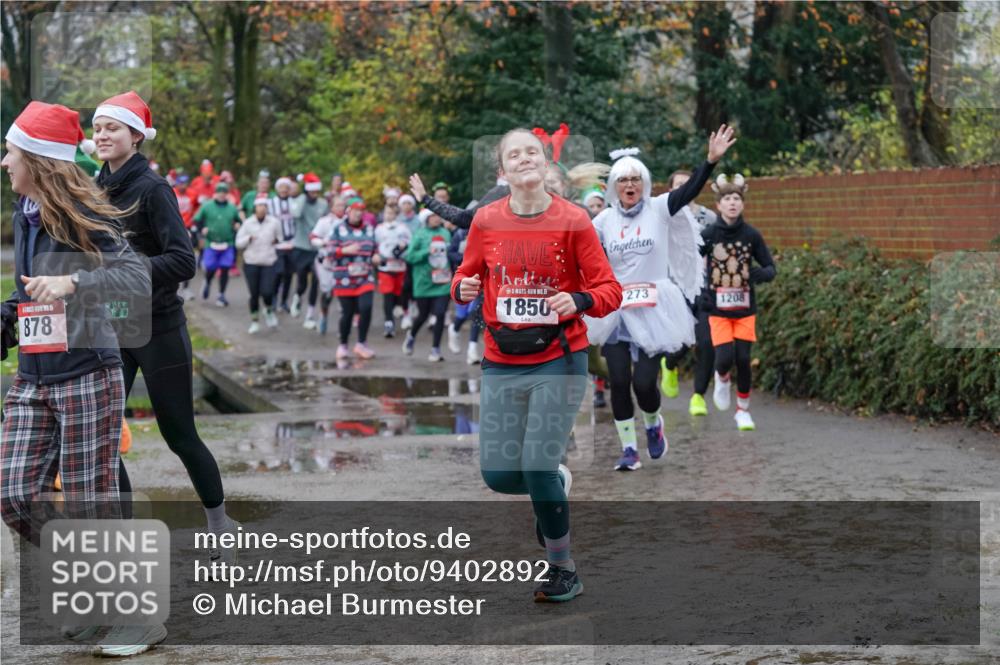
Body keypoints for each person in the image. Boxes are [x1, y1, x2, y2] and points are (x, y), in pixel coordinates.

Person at [2, 100, 154, 655]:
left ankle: (136, 616)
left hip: (89, 371)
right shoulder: (25, 212)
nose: (4, 162)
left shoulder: (83, 215)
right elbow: (28, 298)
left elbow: (134, 280)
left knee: (92, 504)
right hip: (35, 376)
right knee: (15, 495)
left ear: (39, 160)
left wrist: (73, 285)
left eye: (12, 152)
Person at [452, 128, 621, 602]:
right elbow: (466, 275)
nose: (525, 159)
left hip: (560, 359)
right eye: (514, 154)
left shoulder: (574, 221)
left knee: (537, 463)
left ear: (546, 166)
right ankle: (555, 484)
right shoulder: (485, 221)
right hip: (502, 360)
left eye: (533, 152)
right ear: (503, 172)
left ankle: (563, 568)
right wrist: (460, 288)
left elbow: (611, 291)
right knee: (500, 476)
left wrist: (579, 299)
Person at [585, 125, 736, 471]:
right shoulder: (603, 221)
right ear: (614, 188)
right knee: (619, 381)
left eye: (635, 179)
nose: (629, 186)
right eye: (623, 181)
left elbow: (690, 191)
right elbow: (583, 254)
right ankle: (628, 449)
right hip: (616, 310)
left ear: (645, 183)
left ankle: (653, 425)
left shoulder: (659, 208)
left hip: (654, 306)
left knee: (643, 383)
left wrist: (710, 161)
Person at [701, 174, 776, 431]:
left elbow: (770, 267)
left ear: (742, 204)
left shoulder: (751, 235)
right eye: (727, 198)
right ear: (718, 205)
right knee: (724, 358)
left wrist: (757, 274)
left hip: (745, 308)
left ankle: (743, 410)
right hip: (718, 309)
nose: (732, 203)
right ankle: (721, 377)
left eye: (736, 198)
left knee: (743, 359)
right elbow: (689, 264)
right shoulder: (709, 234)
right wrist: (702, 291)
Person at [658, 169, 719, 415]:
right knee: (684, 339)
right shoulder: (661, 217)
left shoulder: (710, 218)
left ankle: (698, 396)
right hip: (675, 288)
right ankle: (669, 363)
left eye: (688, 184)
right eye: (678, 185)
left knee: (707, 341)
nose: (683, 188)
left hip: (706, 289)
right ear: (670, 190)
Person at [329, 198, 376, 360]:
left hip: (365, 276)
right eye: (355, 210)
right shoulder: (338, 229)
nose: (358, 213)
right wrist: (344, 250)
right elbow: (330, 251)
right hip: (344, 278)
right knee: (347, 313)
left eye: (361, 210)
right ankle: (343, 345)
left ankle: (361, 344)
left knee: (366, 307)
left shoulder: (369, 229)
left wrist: (376, 255)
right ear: (349, 211)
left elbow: (375, 247)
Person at [403, 209, 452, 362]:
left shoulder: (445, 233)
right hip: (424, 283)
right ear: (427, 219)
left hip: (443, 281)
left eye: (439, 215)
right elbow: (409, 256)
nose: (437, 218)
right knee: (423, 316)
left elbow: (449, 253)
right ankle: (411, 336)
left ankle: (435, 349)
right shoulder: (419, 234)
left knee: (440, 314)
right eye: (434, 216)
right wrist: (427, 251)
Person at [236, 196, 282, 334]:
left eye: (264, 206)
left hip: (269, 261)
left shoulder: (274, 222)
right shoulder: (248, 223)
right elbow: (238, 243)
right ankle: (255, 321)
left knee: (268, 291)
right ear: (254, 208)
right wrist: (248, 238)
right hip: (251, 262)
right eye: (259, 206)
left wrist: (276, 241)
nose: (262, 208)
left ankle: (268, 310)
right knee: (254, 293)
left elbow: (280, 238)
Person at [290, 172, 329, 327]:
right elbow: (296, 214)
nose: (314, 194)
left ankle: (310, 315)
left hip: (316, 247)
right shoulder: (299, 201)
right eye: (311, 191)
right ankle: (298, 297)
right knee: (302, 282)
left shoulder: (323, 204)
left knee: (316, 281)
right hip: (301, 246)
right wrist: (303, 199)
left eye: (316, 191)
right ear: (306, 191)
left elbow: (326, 222)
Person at [194, 182, 241, 306]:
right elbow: (197, 219)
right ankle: (207, 282)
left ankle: (221, 295)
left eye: (224, 192)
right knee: (211, 268)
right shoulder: (207, 206)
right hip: (211, 242)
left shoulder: (232, 207)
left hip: (227, 242)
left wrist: (237, 225)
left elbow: (238, 220)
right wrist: (202, 229)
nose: (221, 194)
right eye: (219, 191)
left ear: (227, 194)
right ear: (215, 193)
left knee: (225, 268)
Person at [446, 212, 483, 364]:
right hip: (463, 279)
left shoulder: (486, 232)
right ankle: (454, 329)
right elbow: (450, 253)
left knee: (475, 314)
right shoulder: (459, 234)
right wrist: (467, 259)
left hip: (480, 281)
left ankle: (472, 350)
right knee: (462, 316)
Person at [374, 205, 411, 337]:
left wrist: (403, 246)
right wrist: (376, 255)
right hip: (385, 266)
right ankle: (389, 323)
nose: (389, 215)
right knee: (387, 294)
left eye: (391, 213)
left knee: (399, 294)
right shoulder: (379, 229)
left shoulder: (403, 228)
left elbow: (410, 242)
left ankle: (404, 312)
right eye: (386, 213)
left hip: (400, 265)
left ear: (396, 214)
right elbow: (374, 245)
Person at [269, 176, 297, 312]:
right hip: (277, 243)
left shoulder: (294, 202)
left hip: (292, 242)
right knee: (278, 272)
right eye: (281, 187)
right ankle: (274, 298)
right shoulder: (271, 203)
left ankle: (284, 301)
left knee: (289, 274)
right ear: (277, 189)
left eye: (286, 187)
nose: (284, 190)